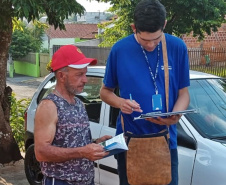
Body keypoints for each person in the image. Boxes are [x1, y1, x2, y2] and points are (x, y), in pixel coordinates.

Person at [100, 0, 190, 184]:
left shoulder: (177, 47)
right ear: (134, 28)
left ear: (164, 25)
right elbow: (105, 92)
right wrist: (120, 103)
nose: (150, 45)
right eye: (145, 40)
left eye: (156, 39)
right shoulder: (120, 49)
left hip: (165, 141)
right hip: (129, 141)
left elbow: (184, 93)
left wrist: (176, 115)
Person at [34, 45, 111, 185]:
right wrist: (83, 152)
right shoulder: (49, 106)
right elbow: (41, 152)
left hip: (86, 180)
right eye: (79, 74)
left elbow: (75, 144)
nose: (85, 80)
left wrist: (95, 144)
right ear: (62, 76)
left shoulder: (78, 103)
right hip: (61, 181)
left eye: (85, 74)